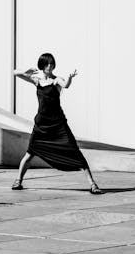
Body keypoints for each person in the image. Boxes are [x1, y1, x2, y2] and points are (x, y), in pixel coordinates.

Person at [13, 53, 102, 194]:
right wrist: (25, 72)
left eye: (52, 64)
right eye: (48, 64)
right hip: (41, 124)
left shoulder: (56, 80)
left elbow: (65, 85)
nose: (50, 66)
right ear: (42, 65)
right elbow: (14, 73)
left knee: (75, 151)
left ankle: (92, 185)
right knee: (30, 153)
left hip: (58, 124)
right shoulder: (37, 80)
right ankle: (18, 181)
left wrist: (70, 79)